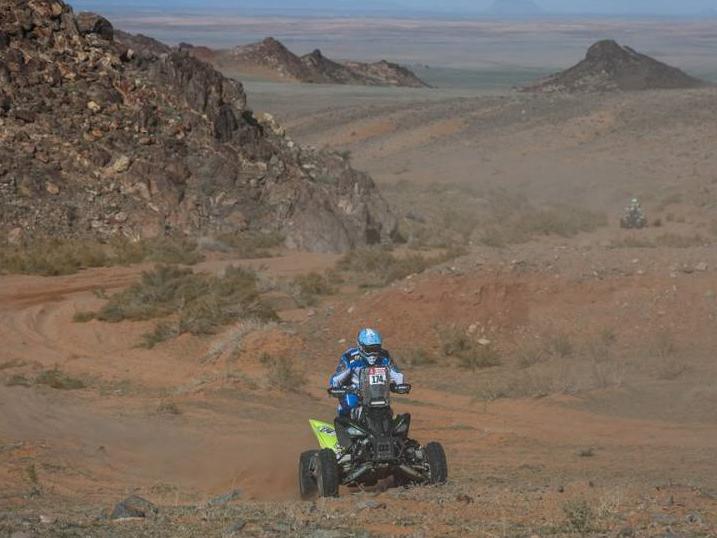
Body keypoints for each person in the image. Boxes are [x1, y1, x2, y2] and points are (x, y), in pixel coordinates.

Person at [329, 328, 405, 418]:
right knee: (350, 404)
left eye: (376, 349)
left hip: (378, 393)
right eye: (369, 349)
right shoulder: (350, 357)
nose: (373, 353)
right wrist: (335, 388)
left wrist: (400, 385)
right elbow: (337, 378)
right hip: (354, 392)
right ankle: (343, 426)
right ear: (361, 347)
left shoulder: (384, 356)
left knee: (388, 411)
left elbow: (397, 374)